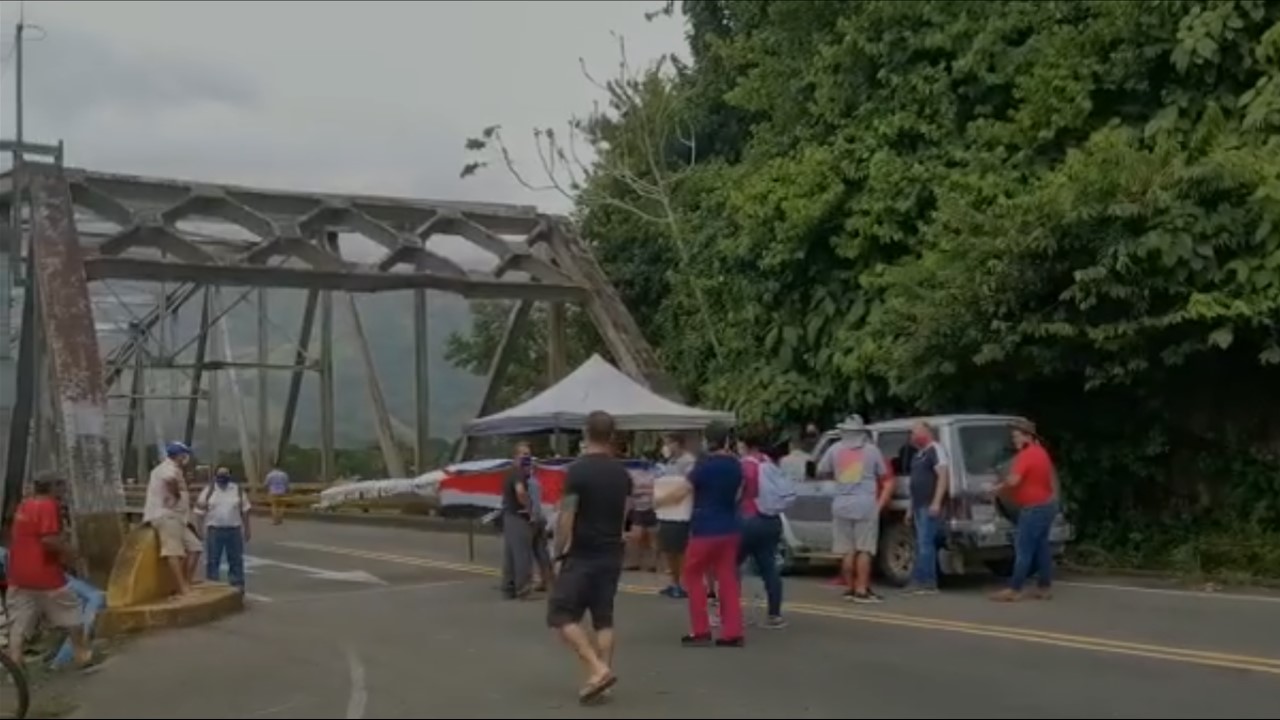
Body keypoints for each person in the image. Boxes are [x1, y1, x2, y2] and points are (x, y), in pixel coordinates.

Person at [547, 411, 632, 704]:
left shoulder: (578, 472)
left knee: (560, 613)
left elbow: (567, 515)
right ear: (612, 436)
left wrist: (558, 550)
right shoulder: (622, 475)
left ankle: (597, 669)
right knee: (603, 617)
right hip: (612, 551)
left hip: (583, 552)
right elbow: (624, 515)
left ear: (585, 434)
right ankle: (602, 681)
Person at [657, 421, 745, 647]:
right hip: (730, 527)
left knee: (693, 575)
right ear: (727, 440)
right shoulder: (736, 465)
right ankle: (732, 631)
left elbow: (682, 492)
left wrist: (658, 501)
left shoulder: (704, 466)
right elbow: (738, 495)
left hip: (705, 528)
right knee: (727, 578)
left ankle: (701, 630)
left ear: (707, 441)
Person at [6, 473, 95, 670]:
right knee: (71, 611)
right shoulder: (48, 505)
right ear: (53, 487)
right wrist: (72, 554)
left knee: (19, 620)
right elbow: (49, 539)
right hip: (44, 572)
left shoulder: (25, 505)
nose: (64, 490)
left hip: (19, 572)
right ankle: (81, 654)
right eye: (61, 485)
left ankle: (15, 661)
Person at [816, 415, 893, 603]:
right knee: (864, 549)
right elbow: (883, 474)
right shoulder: (871, 450)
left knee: (847, 550)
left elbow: (821, 470)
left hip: (841, 503)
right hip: (865, 504)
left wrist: (839, 475)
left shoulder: (835, 449)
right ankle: (862, 589)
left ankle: (850, 587)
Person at [990, 420, 1058, 602]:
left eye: (1017, 436)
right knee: (1041, 547)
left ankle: (1015, 589)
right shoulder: (1041, 452)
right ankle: (1044, 587)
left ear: (1028, 436)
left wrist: (996, 489)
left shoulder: (1026, 455)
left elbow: (1014, 480)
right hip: (1047, 505)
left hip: (1034, 508)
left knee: (1023, 549)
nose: (1014, 440)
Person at [738, 426, 787, 628]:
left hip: (747, 518)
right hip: (771, 519)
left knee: (730, 565)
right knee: (769, 567)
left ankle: (728, 611)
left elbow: (737, 493)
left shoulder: (744, 466)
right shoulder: (771, 464)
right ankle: (774, 614)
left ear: (744, 444)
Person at [143, 441, 203, 596]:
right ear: (180, 455)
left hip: (178, 518)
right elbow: (170, 481)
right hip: (167, 516)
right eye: (185, 455)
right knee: (173, 552)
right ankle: (182, 588)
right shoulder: (167, 468)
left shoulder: (175, 469)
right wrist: (175, 494)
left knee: (195, 547)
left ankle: (185, 582)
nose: (187, 458)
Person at [904, 422, 950, 595]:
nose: (913, 436)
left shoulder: (935, 449)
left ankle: (926, 581)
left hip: (929, 504)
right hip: (918, 505)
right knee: (921, 543)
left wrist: (936, 502)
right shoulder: (918, 454)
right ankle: (922, 579)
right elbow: (914, 484)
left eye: (916, 432)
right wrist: (910, 508)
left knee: (925, 543)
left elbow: (942, 477)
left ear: (927, 432)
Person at [194, 467, 251, 592]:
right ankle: (212, 586)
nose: (223, 477)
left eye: (225, 474)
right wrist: (199, 529)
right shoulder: (208, 491)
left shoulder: (237, 490)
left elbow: (245, 511)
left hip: (234, 530)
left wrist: (247, 529)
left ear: (229, 475)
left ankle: (237, 586)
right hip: (214, 530)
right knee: (213, 560)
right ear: (215, 476)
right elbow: (199, 511)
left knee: (236, 560)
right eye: (220, 474)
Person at [654, 432, 696, 599]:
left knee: (681, 550)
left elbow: (688, 487)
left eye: (669, 443)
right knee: (669, 549)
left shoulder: (688, 462)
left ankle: (684, 584)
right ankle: (674, 582)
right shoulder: (668, 463)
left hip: (681, 512)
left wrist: (664, 500)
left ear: (678, 444)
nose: (666, 447)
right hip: (667, 512)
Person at [500, 441, 538, 599]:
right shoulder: (518, 473)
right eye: (524, 454)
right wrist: (530, 510)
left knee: (510, 554)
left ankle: (509, 587)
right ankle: (523, 588)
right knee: (522, 553)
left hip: (509, 515)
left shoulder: (510, 471)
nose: (528, 458)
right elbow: (520, 492)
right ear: (516, 456)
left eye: (529, 455)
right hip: (519, 516)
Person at [526, 455, 556, 592]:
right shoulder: (537, 481)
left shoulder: (531, 482)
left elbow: (535, 504)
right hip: (540, 519)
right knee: (541, 551)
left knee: (531, 551)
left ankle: (539, 580)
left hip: (534, 519)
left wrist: (533, 517)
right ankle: (548, 581)